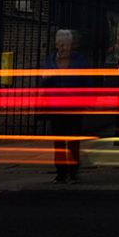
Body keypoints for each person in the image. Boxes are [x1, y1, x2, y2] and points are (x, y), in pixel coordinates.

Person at [40, 29, 90, 184]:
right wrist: (44, 78)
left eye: (68, 45)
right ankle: (60, 173)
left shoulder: (80, 60)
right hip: (56, 107)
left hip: (74, 106)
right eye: (62, 45)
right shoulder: (48, 61)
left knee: (73, 141)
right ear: (56, 45)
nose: (65, 48)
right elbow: (40, 84)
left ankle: (73, 172)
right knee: (59, 142)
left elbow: (87, 82)